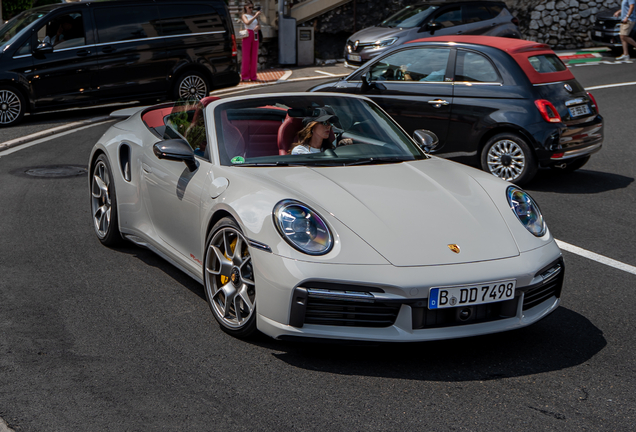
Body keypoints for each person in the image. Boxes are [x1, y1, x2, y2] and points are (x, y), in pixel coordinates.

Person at [241, 2, 261, 82]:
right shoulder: (244, 15)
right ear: (246, 7)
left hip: (255, 34)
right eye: (250, 7)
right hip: (247, 34)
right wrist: (255, 15)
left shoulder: (254, 15)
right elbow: (247, 23)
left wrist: (258, 27)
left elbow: (259, 25)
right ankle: (245, 76)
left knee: (254, 56)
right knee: (246, 56)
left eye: (252, 7)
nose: (251, 9)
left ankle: (253, 76)